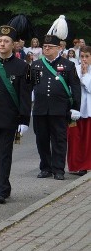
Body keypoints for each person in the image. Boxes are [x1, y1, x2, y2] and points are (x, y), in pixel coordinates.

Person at [0, 24, 33, 204]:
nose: (2, 44)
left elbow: (26, 94)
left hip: (10, 118)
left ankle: (0, 190)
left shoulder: (23, 67)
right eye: (0, 41)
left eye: (6, 41)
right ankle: (2, 185)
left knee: (5, 154)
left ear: (13, 44)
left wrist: (24, 119)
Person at [31, 16, 82, 180]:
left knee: (59, 140)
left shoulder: (68, 65)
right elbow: (28, 87)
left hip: (59, 109)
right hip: (40, 109)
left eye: (49, 47)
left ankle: (58, 169)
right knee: (42, 140)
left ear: (58, 48)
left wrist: (75, 107)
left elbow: (75, 87)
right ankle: (45, 167)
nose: (46, 49)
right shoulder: (36, 65)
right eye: (44, 46)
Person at [66, 46, 91, 175]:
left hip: (88, 110)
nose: (84, 59)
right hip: (76, 109)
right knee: (75, 138)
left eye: (87, 56)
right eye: (82, 56)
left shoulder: (88, 71)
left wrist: (86, 74)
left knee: (87, 140)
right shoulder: (75, 68)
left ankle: (86, 164)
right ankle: (75, 164)